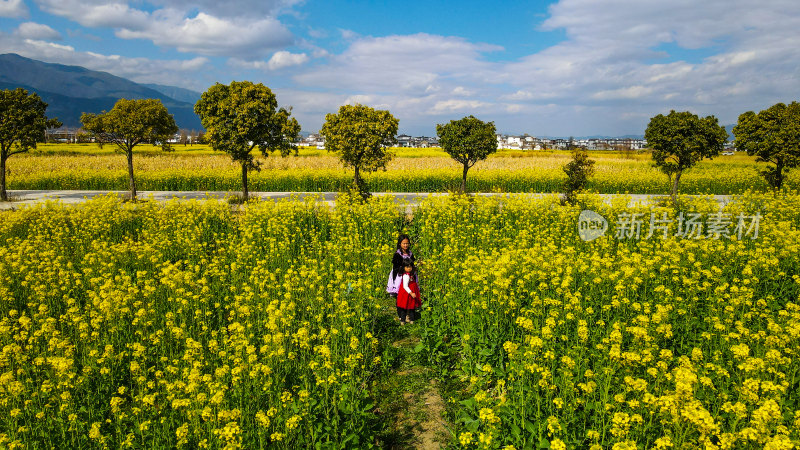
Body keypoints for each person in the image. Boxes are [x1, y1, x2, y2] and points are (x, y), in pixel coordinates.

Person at [387, 234, 416, 298]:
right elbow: (395, 267)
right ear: (400, 244)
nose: (405, 245)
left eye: (407, 243)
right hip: (399, 273)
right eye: (404, 243)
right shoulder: (397, 254)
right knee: (400, 283)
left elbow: (413, 263)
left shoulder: (410, 253)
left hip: (409, 271)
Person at [396, 261, 421, 325]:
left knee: (411, 306)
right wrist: (411, 293)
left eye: (410, 267)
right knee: (404, 307)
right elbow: (405, 286)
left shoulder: (411, 274)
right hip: (406, 293)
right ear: (404, 267)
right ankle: (403, 320)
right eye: (407, 267)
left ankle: (411, 320)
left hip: (410, 291)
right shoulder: (406, 276)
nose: (409, 268)